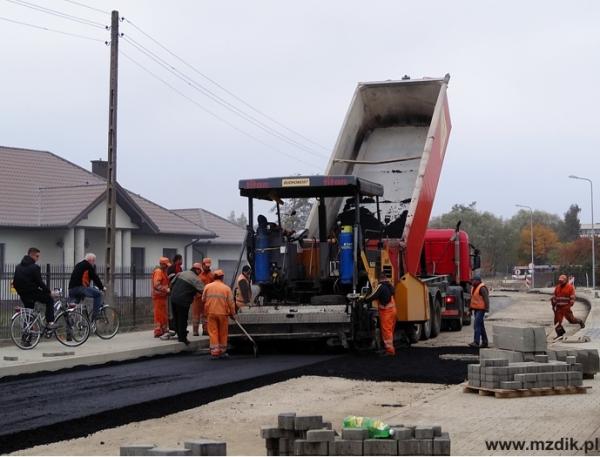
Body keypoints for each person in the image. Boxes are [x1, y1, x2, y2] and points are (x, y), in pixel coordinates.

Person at [13, 248, 56, 341]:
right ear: (31, 255)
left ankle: (26, 339)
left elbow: (15, 282)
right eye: (37, 256)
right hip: (32, 293)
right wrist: (49, 292)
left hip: (23, 294)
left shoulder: (18, 267)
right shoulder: (34, 267)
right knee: (49, 299)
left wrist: (20, 292)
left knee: (29, 313)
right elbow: (40, 282)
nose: (38, 258)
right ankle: (50, 323)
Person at [202, 269, 235, 359]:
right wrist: (232, 313)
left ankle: (215, 351)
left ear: (214, 277)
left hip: (211, 313)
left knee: (213, 332)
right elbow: (231, 303)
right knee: (223, 332)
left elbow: (203, 299)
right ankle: (222, 351)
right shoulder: (226, 288)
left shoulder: (207, 287)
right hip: (222, 314)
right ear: (222, 277)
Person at [170, 264, 205, 345]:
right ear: (197, 270)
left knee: (176, 318)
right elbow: (203, 291)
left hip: (173, 298)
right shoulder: (195, 279)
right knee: (182, 319)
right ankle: (183, 339)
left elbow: (172, 282)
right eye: (200, 271)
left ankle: (179, 337)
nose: (200, 273)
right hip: (183, 301)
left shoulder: (181, 273)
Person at [364, 272, 397, 356]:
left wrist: (364, 299)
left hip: (386, 312)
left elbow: (373, 296)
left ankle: (390, 350)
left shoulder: (381, 286)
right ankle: (387, 348)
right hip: (393, 311)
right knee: (390, 331)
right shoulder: (389, 285)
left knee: (386, 331)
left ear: (379, 279)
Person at [68, 253, 106, 323]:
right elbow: (95, 277)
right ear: (90, 260)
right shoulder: (87, 265)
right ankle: (95, 316)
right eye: (94, 261)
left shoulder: (78, 264)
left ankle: (70, 329)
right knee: (98, 294)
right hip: (80, 288)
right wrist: (102, 287)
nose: (94, 263)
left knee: (71, 308)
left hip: (71, 289)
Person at [552, 274, 585, 339]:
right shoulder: (557, 287)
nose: (561, 282)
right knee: (556, 321)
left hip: (566, 307)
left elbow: (572, 297)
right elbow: (555, 296)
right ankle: (560, 334)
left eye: (562, 281)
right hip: (559, 308)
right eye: (560, 281)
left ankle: (580, 321)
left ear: (565, 280)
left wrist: (570, 304)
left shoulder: (570, 287)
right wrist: (554, 302)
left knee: (571, 320)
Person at [191, 258, 215, 336]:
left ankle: (205, 330)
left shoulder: (212, 276)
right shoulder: (198, 275)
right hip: (198, 298)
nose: (207, 267)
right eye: (206, 266)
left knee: (206, 315)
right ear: (203, 265)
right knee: (196, 315)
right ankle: (195, 331)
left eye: (208, 266)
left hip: (207, 299)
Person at [152, 257, 171, 338]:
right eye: (166, 265)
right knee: (159, 315)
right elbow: (157, 285)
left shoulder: (162, 272)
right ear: (162, 264)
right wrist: (166, 289)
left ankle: (162, 329)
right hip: (158, 296)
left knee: (162, 315)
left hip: (162, 296)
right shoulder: (159, 272)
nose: (167, 267)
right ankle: (158, 331)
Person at [469, 275, 489, 348]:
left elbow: (486, 299)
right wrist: (470, 309)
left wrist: (487, 310)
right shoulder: (474, 288)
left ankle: (476, 342)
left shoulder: (482, 288)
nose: (472, 281)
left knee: (476, 325)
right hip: (476, 309)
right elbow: (473, 300)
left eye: (473, 280)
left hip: (481, 310)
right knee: (481, 326)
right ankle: (485, 342)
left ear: (477, 281)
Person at [166, 254, 183, 334]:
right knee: (173, 311)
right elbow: (170, 277)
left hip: (179, 291)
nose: (182, 261)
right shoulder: (172, 268)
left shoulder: (180, 268)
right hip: (173, 290)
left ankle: (178, 327)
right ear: (178, 260)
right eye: (181, 259)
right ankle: (173, 328)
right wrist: (177, 276)